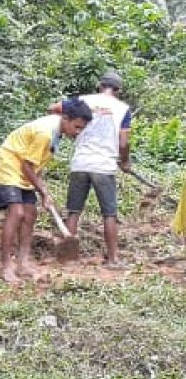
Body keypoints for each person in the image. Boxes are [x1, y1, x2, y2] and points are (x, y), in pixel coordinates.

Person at [0, 99, 93, 283]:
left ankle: (22, 263)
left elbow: (37, 163)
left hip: (24, 169)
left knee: (30, 214)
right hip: (9, 166)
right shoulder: (45, 133)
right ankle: (5, 267)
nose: (77, 132)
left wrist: (41, 187)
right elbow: (27, 165)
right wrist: (43, 192)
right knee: (17, 212)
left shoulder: (57, 132)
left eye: (81, 129)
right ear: (65, 118)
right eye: (76, 127)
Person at [49, 71, 131, 267]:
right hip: (104, 165)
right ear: (118, 90)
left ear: (99, 86)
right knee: (109, 214)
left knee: (74, 211)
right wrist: (125, 161)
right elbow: (124, 141)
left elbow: (52, 108)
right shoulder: (123, 108)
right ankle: (113, 259)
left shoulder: (83, 100)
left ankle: (68, 259)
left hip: (80, 162)